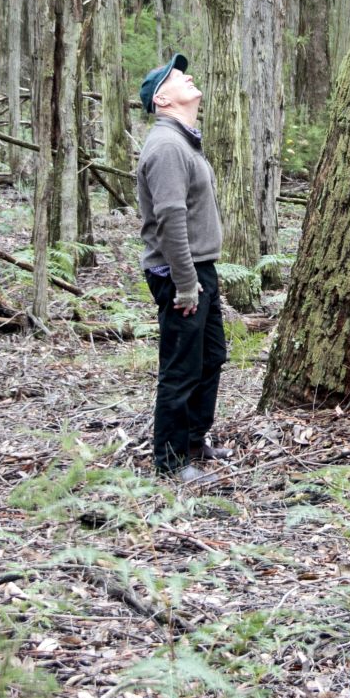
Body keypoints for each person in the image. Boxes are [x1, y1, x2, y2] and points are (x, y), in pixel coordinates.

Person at [136, 53, 229, 477]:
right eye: (177, 77)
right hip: (179, 273)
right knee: (180, 367)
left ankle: (193, 441)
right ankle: (170, 462)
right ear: (162, 100)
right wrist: (186, 284)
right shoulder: (168, 146)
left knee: (210, 357)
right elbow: (170, 218)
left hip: (197, 269)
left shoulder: (183, 140)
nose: (187, 77)